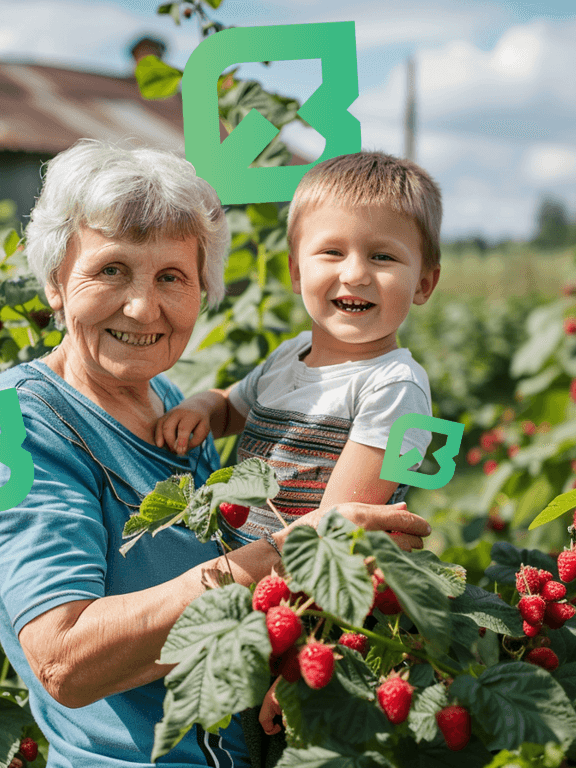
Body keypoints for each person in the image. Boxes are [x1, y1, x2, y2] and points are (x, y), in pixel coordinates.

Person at [0, 140, 433, 768]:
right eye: (111, 269)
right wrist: (296, 551)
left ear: (202, 292)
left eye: (172, 277)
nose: (142, 307)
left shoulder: (169, 403)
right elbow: (65, 661)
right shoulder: (3, 420)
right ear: (54, 282)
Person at [155, 151, 443, 735]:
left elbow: (337, 532)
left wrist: (298, 658)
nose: (356, 273)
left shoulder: (395, 385)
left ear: (425, 282)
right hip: (249, 583)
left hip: (310, 610)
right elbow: (234, 405)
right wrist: (201, 407)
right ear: (294, 271)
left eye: (383, 256)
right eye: (332, 252)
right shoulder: (289, 356)